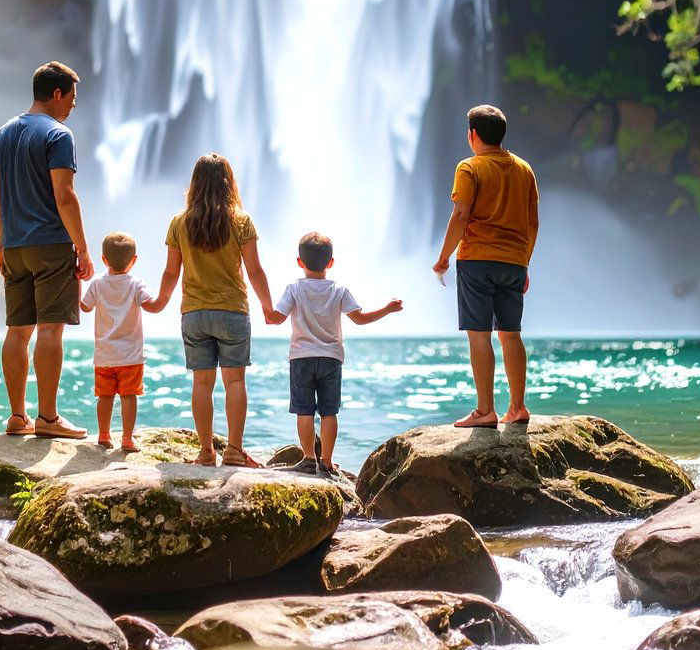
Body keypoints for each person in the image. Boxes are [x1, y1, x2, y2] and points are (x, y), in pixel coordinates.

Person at [0, 61, 94, 439]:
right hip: (50, 244)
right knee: (51, 331)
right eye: (72, 97)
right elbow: (64, 196)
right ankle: (48, 419)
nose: (74, 105)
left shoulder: (3, 133)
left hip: (14, 245)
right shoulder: (59, 135)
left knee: (17, 332)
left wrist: (2, 244)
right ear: (56, 93)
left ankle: (18, 417)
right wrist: (82, 249)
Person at [154, 153, 274, 467]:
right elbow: (255, 270)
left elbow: (170, 272)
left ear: (194, 183)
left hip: (194, 314)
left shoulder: (179, 221)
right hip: (232, 311)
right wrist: (268, 307)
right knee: (235, 382)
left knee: (201, 383)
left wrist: (160, 302)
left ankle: (206, 452)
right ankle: (234, 450)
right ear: (228, 183)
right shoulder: (241, 220)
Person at [433, 104, 538, 429]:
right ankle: (518, 407)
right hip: (513, 261)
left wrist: (444, 257)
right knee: (511, 334)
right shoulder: (524, 169)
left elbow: (461, 214)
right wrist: (524, 261)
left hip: (477, 260)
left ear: (473, 135)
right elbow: (532, 223)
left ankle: (484, 411)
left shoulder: (470, 167)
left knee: (479, 336)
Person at [267, 232, 402, 476]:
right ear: (330, 262)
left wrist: (267, 311)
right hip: (331, 358)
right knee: (329, 411)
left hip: (301, 358)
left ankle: (309, 458)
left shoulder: (294, 289)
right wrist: (388, 309)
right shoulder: (339, 291)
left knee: (304, 411)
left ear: (300, 262)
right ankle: (327, 461)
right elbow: (360, 319)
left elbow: (277, 318)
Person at [80, 232, 167, 450]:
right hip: (130, 355)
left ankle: (103, 435)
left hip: (104, 354)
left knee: (105, 396)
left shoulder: (97, 284)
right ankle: (127, 438)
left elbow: (85, 307)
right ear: (134, 260)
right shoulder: (137, 284)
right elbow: (152, 306)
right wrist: (167, 294)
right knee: (129, 396)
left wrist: (74, 283)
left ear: (104, 259)